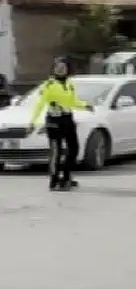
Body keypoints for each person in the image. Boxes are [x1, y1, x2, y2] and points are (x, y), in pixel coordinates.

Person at [27, 57, 91, 191]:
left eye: (63, 67)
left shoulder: (69, 84)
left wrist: (85, 105)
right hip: (54, 121)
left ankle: (66, 176)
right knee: (56, 151)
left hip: (67, 118)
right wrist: (33, 121)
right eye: (58, 67)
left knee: (73, 148)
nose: (60, 69)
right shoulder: (49, 84)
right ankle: (54, 180)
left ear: (67, 69)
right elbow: (40, 104)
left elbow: (73, 101)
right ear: (54, 69)